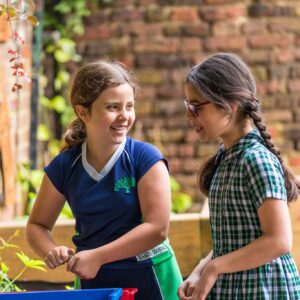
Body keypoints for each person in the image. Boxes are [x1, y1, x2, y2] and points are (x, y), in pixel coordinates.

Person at [26, 60, 182, 300]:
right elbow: (37, 225)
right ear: (82, 111)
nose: (125, 116)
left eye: (129, 106)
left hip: (151, 277)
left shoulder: (145, 158)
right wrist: (51, 250)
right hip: (93, 281)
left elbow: (157, 228)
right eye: (113, 107)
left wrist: (97, 256)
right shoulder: (65, 166)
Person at [178, 53, 300, 300]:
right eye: (187, 106)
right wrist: (200, 270)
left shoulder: (256, 160)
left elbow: (279, 240)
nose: (189, 115)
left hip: (263, 291)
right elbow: (233, 241)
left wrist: (214, 268)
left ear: (229, 106)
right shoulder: (226, 157)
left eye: (196, 107)